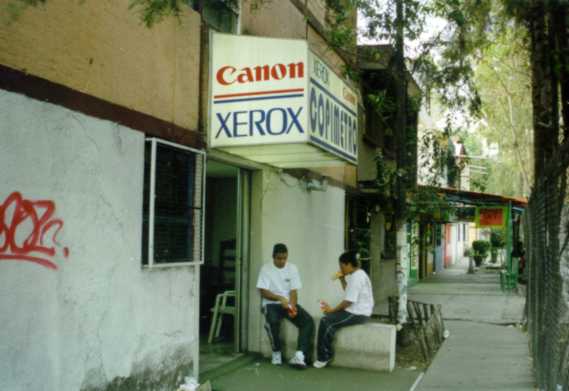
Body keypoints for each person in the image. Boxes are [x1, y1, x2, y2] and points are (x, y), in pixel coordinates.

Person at [256, 243, 314, 368]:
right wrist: (279, 298)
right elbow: (263, 291)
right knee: (273, 321)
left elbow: (294, 291)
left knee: (308, 321)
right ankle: (276, 352)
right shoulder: (266, 268)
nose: (282, 261)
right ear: (273, 257)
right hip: (271, 304)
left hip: (287, 304)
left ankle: (299, 355)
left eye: (284, 258)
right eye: (279, 258)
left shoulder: (292, 268)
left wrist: (292, 306)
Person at [313, 250, 374, 368]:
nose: (341, 269)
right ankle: (325, 355)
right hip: (357, 310)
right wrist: (342, 279)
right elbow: (348, 292)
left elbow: (348, 301)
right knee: (329, 317)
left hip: (358, 313)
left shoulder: (357, 277)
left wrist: (332, 310)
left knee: (326, 321)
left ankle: (324, 357)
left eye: (341, 266)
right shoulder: (357, 274)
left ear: (349, 264)